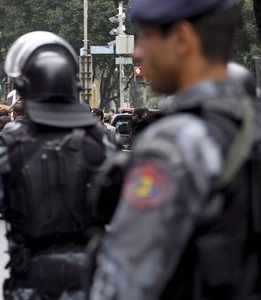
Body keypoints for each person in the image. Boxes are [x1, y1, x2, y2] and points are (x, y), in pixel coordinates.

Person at [89, 0, 261, 299]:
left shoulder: (175, 143)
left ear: (182, 38)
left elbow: (124, 281)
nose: (138, 51)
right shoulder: (250, 122)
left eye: (147, 36)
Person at [0, 31, 114, 299]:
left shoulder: (8, 145)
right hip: (92, 282)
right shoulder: (103, 142)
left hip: (31, 282)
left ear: (26, 90)